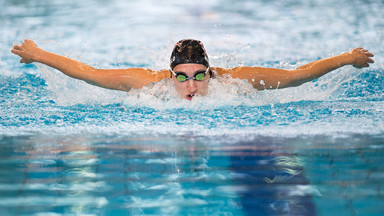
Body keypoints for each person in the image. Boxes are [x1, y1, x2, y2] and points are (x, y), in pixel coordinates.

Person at [11, 39, 374, 101]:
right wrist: (38, 54)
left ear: (210, 72)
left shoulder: (234, 82)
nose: (191, 86)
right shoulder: (148, 85)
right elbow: (88, 73)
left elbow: (297, 76)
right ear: (170, 75)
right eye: (182, 77)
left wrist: (346, 58)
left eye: (199, 76)